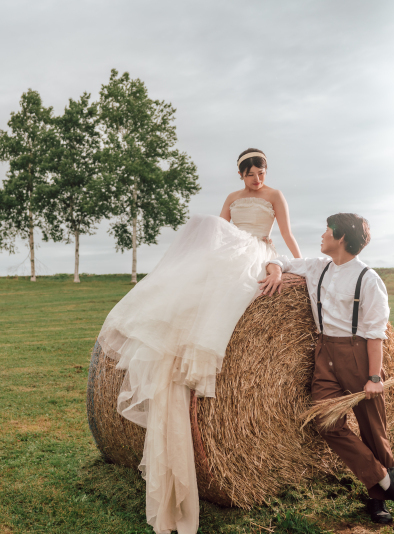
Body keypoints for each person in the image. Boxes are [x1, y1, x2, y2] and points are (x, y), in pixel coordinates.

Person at [97, 149, 302, 534]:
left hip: (258, 249)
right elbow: (218, 234)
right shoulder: (232, 198)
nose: (257, 178)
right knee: (203, 233)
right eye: (250, 173)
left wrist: (298, 266)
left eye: (261, 172)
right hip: (233, 249)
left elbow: (287, 234)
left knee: (230, 290)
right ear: (240, 174)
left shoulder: (275, 196)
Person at [259, 213, 394, 525]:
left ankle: (378, 500)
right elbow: (280, 260)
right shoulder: (318, 266)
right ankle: (386, 479)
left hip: (358, 355)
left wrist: (374, 377)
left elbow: (375, 334)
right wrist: (274, 271)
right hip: (324, 352)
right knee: (326, 422)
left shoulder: (368, 279)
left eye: (327, 230)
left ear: (341, 238)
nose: (322, 235)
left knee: (373, 430)